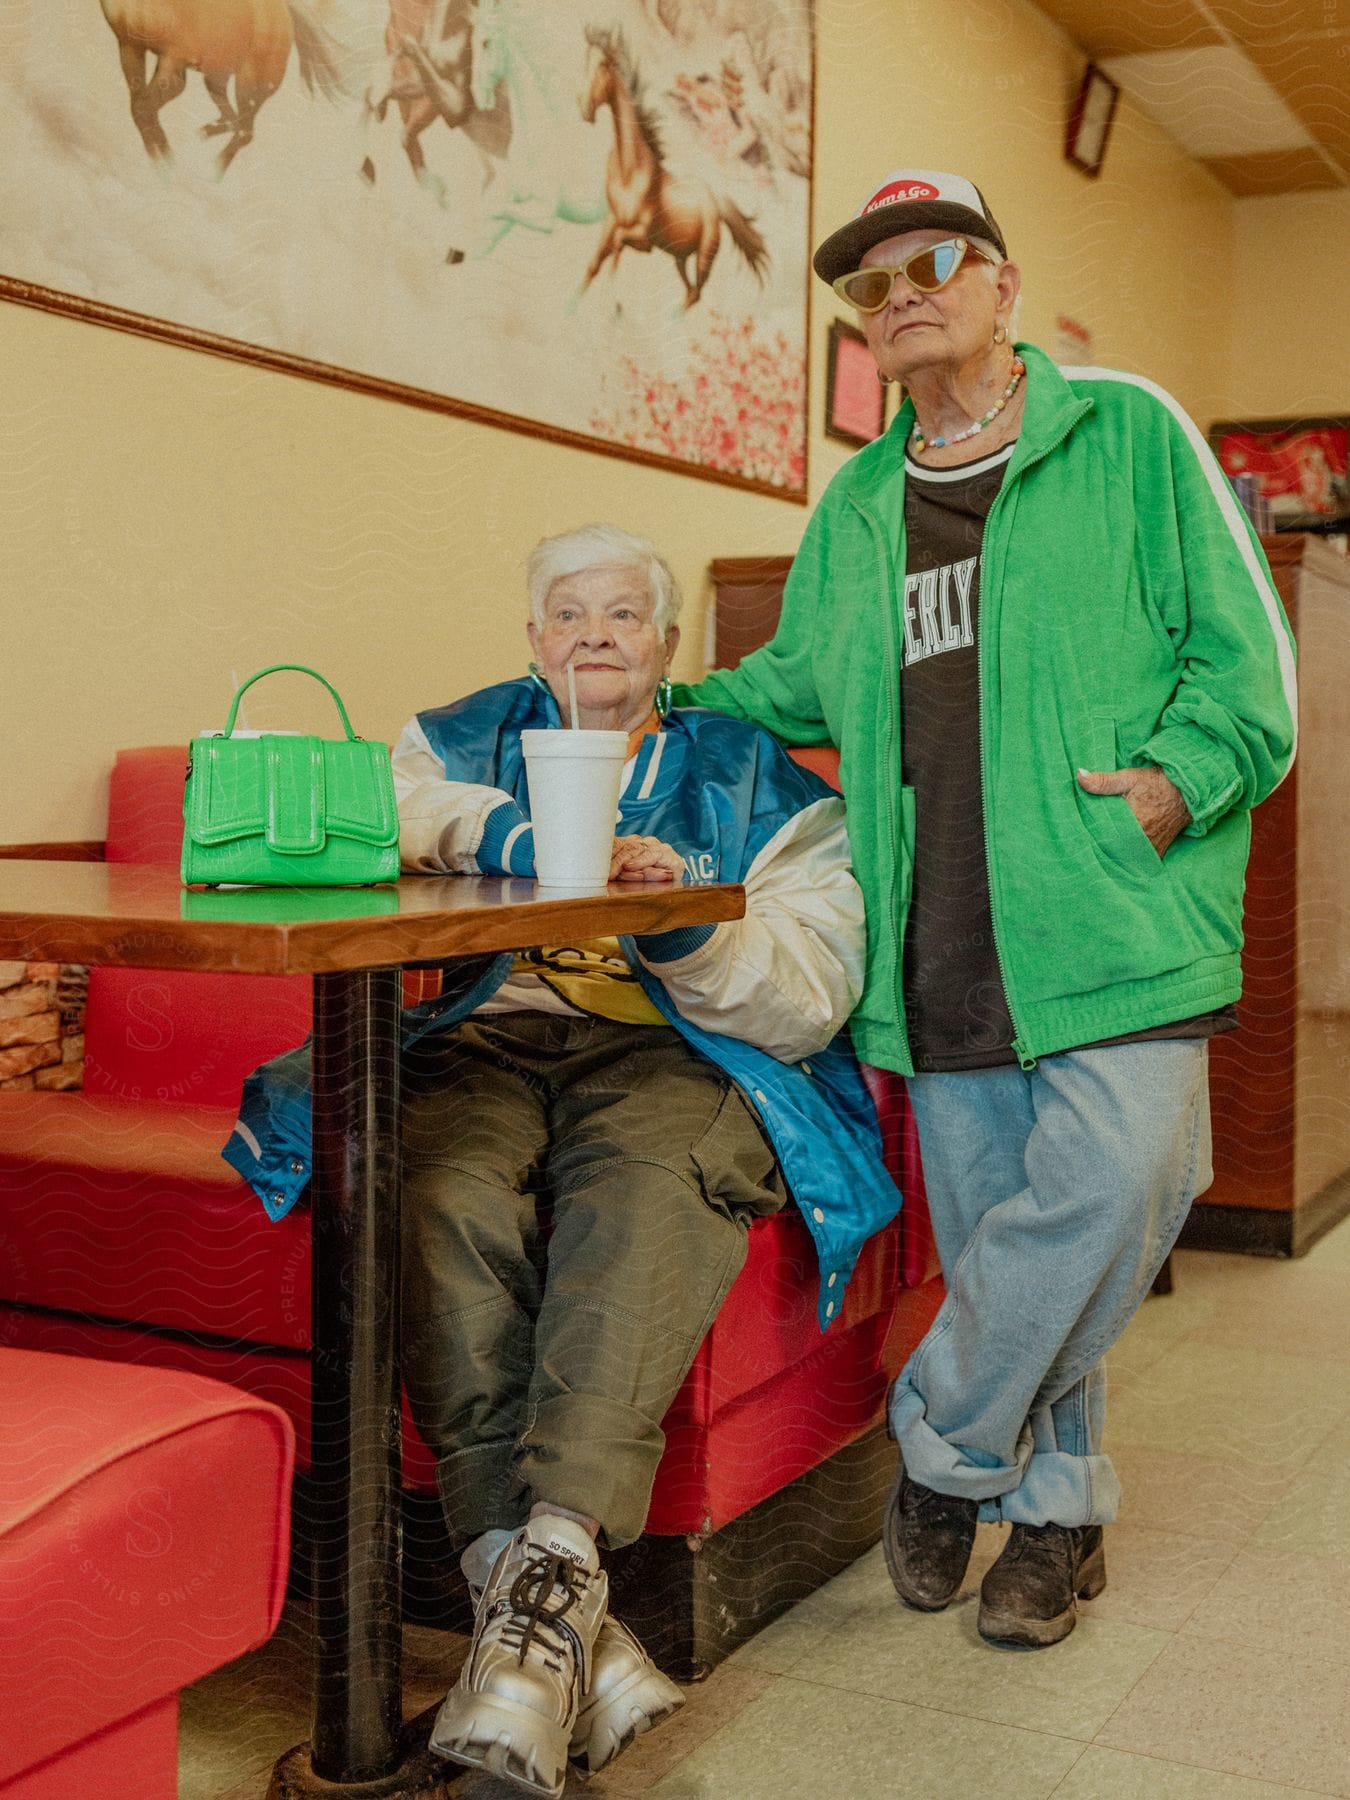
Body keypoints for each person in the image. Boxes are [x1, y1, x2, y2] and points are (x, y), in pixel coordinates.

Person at [678, 171, 1297, 1649]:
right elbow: (791, 688)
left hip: (1108, 917)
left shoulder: (1129, 436)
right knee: (1027, 1244)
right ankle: (1051, 1522)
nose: (899, 291)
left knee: (1113, 1193)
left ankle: (941, 1449)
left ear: (1003, 285)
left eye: (932, 259)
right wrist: (653, 700)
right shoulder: (859, 505)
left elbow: (1249, 666)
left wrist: (1173, 781)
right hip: (934, 940)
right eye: (867, 281)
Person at [225, 523, 900, 1798]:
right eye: (569, 615)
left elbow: (816, 990)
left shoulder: (756, 778)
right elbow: (393, 814)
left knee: (644, 1201)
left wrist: (680, 926)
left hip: (679, 1054)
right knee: (424, 1190)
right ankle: (548, 1630)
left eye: (624, 615)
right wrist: (529, 838)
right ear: (534, 639)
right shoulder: (461, 738)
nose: (596, 635)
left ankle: (534, 1584)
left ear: (668, 644)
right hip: (483, 1043)